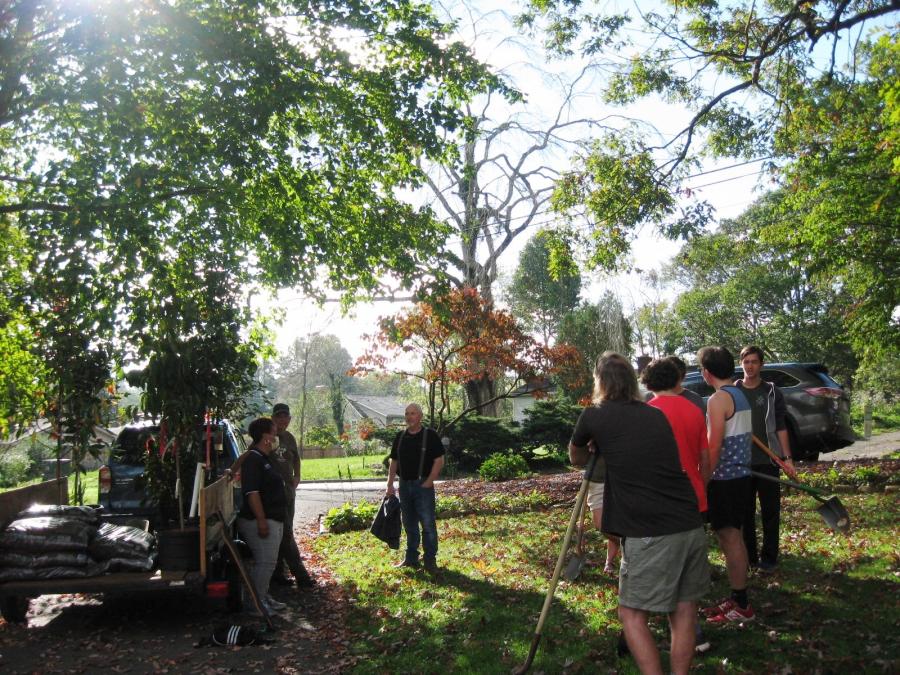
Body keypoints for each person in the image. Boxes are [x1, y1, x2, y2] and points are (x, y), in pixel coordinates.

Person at [570, 352, 708, 675]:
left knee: (631, 614)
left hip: (651, 531)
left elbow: (576, 457)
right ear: (632, 381)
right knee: (685, 611)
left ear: (600, 382)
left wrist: (595, 443)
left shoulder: (594, 416)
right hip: (690, 522)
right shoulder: (654, 414)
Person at [697, 346, 755, 624]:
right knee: (737, 537)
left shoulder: (718, 400)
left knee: (730, 539)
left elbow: (714, 445)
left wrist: (703, 478)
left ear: (707, 373)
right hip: (742, 477)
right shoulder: (739, 393)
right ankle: (737, 596)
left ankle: (741, 604)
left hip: (726, 480)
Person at [735, 346, 798, 573]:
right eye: (746, 361)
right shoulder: (734, 392)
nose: (750, 366)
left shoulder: (771, 392)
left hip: (769, 461)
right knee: (746, 514)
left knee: (771, 512)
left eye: (754, 362)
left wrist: (787, 458)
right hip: (742, 463)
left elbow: (780, 426)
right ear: (741, 363)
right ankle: (750, 558)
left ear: (761, 364)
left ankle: (769, 559)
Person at [642, 358, 710, 514]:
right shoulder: (695, 409)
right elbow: (705, 460)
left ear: (648, 381)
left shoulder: (645, 413)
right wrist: (701, 488)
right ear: (676, 379)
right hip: (694, 496)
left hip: (661, 499)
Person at [236, 417, 288, 617]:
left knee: (270, 562)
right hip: (259, 520)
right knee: (265, 562)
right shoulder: (254, 459)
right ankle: (255, 603)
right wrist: (261, 520)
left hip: (274, 518)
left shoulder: (264, 457)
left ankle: (263, 596)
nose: (277, 437)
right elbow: (252, 493)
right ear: (266, 436)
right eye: (274, 433)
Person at [385, 403, 444, 572]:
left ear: (420, 416)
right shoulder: (400, 436)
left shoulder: (429, 435)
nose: (409, 417)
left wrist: (429, 481)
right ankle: (411, 558)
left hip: (423, 484)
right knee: (409, 523)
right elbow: (393, 461)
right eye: (406, 414)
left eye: (412, 413)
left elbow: (439, 461)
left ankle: (430, 560)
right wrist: (390, 484)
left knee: (427, 524)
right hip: (404, 485)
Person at [269, 403, 315, 588]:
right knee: (285, 533)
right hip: (274, 493)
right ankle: (301, 576)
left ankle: (277, 574)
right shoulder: (268, 438)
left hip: (289, 491)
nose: (282, 421)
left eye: (285, 418)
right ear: (272, 418)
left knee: (283, 532)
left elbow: (296, 459)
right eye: (278, 417)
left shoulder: (289, 438)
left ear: (289, 419)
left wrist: (297, 476)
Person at [584, 449, 620, 574]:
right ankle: (629, 546)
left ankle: (609, 562)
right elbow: (576, 454)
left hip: (621, 475)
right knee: (602, 525)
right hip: (597, 477)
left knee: (616, 522)